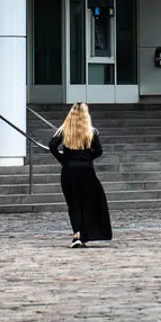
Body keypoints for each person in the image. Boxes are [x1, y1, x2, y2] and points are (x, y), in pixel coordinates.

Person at [48, 103, 113, 248]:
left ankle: (77, 234)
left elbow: (52, 146)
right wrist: (87, 158)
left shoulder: (64, 130)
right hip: (87, 171)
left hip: (69, 171)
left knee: (73, 204)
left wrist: (63, 159)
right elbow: (99, 151)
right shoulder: (91, 131)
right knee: (86, 203)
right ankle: (86, 234)